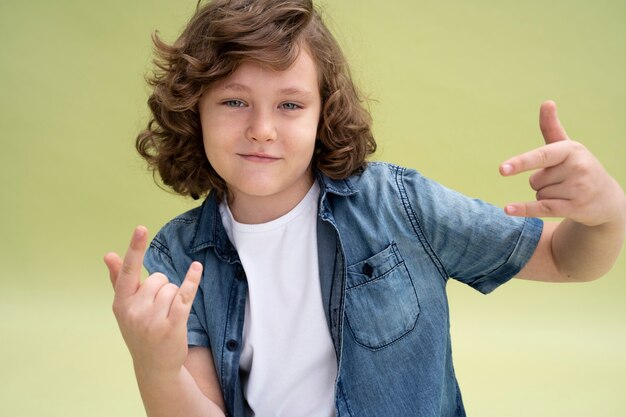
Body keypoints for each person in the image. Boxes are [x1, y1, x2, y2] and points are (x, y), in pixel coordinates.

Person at [103, 1, 626, 416]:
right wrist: (156, 368)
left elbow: (566, 259)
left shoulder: (399, 207)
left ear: (323, 110)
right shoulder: (176, 258)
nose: (262, 128)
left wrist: (605, 212)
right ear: (194, 110)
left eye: (289, 104)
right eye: (234, 101)